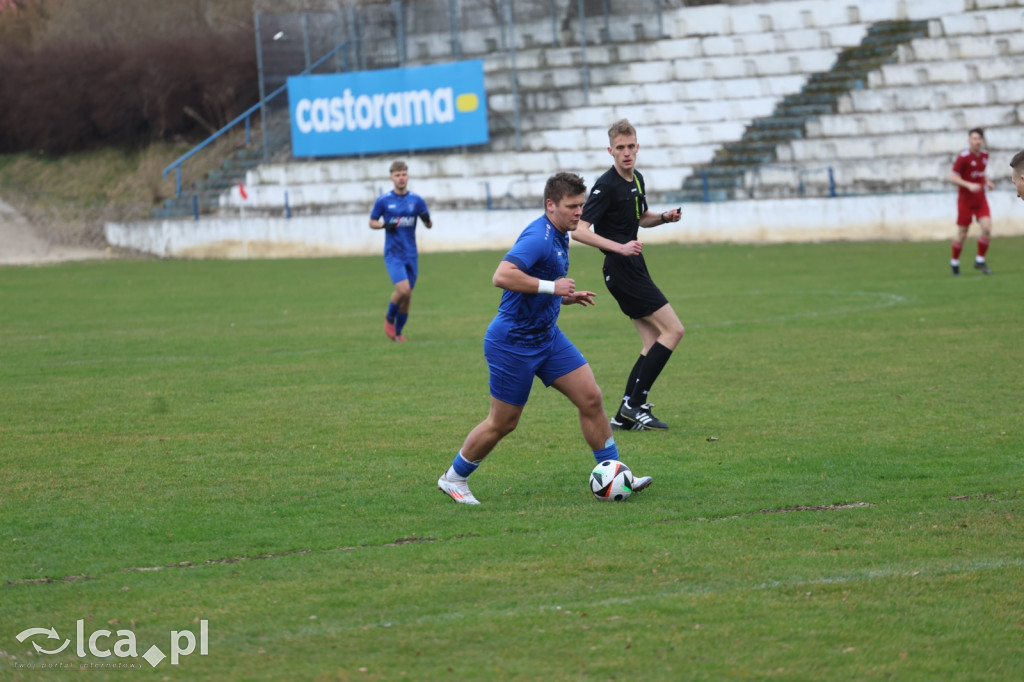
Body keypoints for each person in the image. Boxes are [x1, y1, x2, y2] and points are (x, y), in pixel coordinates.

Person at [437, 172, 652, 505]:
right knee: (504, 422)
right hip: (512, 342)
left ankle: (614, 473)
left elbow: (537, 282)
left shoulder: (561, 233)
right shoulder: (539, 236)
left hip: (547, 336)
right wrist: (553, 287)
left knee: (591, 398)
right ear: (551, 205)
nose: (579, 212)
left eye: (581, 205)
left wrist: (564, 297)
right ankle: (454, 478)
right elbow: (502, 275)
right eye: (571, 206)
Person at [569, 119, 684, 431]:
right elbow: (579, 232)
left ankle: (624, 414)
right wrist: (618, 248)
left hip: (632, 265)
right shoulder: (605, 186)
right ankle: (635, 404)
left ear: (638, 146)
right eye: (620, 148)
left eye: (631, 146)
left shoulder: (637, 179)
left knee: (651, 339)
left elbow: (641, 218)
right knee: (673, 331)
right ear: (610, 150)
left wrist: (663, 218)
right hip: (621, 269)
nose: (626, 152)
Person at [369, 160, 433, 341]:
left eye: (404, 174)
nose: (401, 178)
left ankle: (398, 332)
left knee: (408, 296)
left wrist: (427, 219)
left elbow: (429, 224)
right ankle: (389, 318)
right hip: (393, 253)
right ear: (391, 178)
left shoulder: (417, 200)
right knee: (403, 290)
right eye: (397, 175)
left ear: (408, 175)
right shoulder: (383, 200)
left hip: (411, 253)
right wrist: (383, 225)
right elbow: (372, 222)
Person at [947, 128, 994, 275]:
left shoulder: (985, 155)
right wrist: (969, 185)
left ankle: (980, 260)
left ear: (982, 141)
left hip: (980, 198)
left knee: (986, 229)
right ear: (969, 141)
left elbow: (980, 171)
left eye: (979, 138)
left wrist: (987, 181)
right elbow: (952, 177)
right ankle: (954, 262)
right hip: (965, 200)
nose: (977, 141)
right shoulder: (963, 157)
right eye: (974, 138)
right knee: (963, 232)